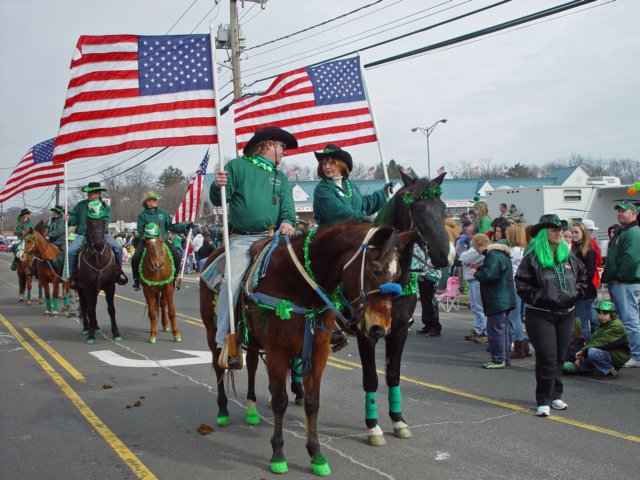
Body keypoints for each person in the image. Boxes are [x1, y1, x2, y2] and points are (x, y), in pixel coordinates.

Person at [211, 126, 298, 368]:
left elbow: (288, 209)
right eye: (282, 147)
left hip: (276, 239)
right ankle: (225, 342)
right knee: (231, 281)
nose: (284, 152)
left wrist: (288, 222)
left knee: (302, 277)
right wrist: (217, 186)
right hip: (243, 239)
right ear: (268, 144)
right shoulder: (238, 166)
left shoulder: (281, 178)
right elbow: (219, 200)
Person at [515, 214, 587, 417]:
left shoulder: (569, 257)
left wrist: (575, 294)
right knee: (546, 356)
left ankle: (556, 395)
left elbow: (583, 278)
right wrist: (540, 297)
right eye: (554, 230)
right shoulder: (533, 258)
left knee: (559, 357)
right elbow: (522, 284)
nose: (558, 233)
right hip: (541, 315)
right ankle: (543, 399)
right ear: (543, 233)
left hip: (566, 314)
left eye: (560, 230)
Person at [312, 143, 391, 227]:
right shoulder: (322, 189)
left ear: (341, 165)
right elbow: (338, 212)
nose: (327, 167)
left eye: (332, 163)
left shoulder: (349, 184)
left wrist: (383, 193)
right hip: (330, 237)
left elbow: (362, 204)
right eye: (324, 163)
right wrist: (362, 218)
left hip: (353, 234)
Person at [601, 201, 640, 368]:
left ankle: (637, 355)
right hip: (621, 282)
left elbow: (630, 258)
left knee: (630, 319)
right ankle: (633, 352)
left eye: (624, 211)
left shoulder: (632, 232)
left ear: (633, 213)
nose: (619, 214)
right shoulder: (625, 232)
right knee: (627, 319)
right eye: (618, 211)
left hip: (625, 283)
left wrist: (619, 277)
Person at [65, 182, 127, 287]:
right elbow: (74, 219)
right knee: (71, 251)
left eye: (92, 192)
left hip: (101, 235)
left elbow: (106, 220)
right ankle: (72, 275)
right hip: (83, 235)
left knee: (118, 248)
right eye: (89, 192)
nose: (89, 194)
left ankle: (117, 272)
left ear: (98, 193)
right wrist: (69, 219)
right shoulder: (81, 205)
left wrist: (98, 231)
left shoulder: (105, 206)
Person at [470, 234, 516, 369]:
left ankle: (498, 359)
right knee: (504, 330)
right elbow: (495, 271)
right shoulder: (501, 254)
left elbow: (489, 275)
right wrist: (480, 268)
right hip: (505, 297)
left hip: (497, 298)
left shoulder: (493, 255)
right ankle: (504, 357)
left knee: (495, 329)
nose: (477, 251)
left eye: (475, 248)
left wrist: (475, 273)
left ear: (480, 245)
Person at [131, 192, 189, 291]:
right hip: (147, 242)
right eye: (153, 200)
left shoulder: (163, 213)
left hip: (162, 241)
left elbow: (173, 226)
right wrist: (146, 237)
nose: (155, 201)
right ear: (147, 202)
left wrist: (186, 226)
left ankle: (174, 278)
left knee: (177, 256)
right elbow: (140, 230)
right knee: (135, 258)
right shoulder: (142, 215)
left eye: (155, 200)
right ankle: (137, 280)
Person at [575, 301, 631, 379]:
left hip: (617, 355)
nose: (601, 316)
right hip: (608, 351)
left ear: (611, 314)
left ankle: (610, 371)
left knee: (592, 352)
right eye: (599, 313)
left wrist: (583, 350)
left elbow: (601, 342)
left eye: (605, 314)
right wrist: (583, 353)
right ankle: (598, 368)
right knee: (581, 366)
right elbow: (595, 340)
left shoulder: (616, 325)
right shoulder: (604, 323)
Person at [457, 224, 487, 343]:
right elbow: (460, 253)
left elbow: (465, 258)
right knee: (475, 307)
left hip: (477, 280)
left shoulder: (478, 248)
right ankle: (478, 329)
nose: (466, 235)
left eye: (468, 233)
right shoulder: (472, 246)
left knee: (480, 307)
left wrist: (464, 257)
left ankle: (484, 331)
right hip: (472, 279)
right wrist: (460, 243)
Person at [505, 223, 530, 359]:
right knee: (518, 317)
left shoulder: (513, 251)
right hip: (521, 284)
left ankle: (519, 346)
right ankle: (524, 345)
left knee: (514, 317)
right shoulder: (523, 250)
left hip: (513, 283)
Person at [571, 222, 598, 340]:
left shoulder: (589, 251)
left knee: (583, 325)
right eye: (572, 232)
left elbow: (589, 274)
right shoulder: (575, 250)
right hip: (578, 292)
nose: (573, 234)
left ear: (583, 233)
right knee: (579, 324)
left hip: (585, 293)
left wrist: (577, 285)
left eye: (576, 232)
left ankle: (585, 350)